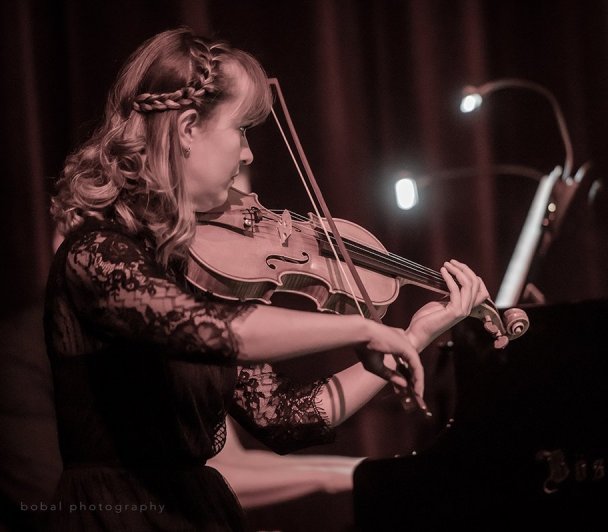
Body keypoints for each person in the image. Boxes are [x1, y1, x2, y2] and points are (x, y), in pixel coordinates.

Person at [43, 27, 489, 531]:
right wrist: (362, 327)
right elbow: (217, 329)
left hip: (196, 512)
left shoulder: (193, 269)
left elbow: (285, 417)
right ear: (187, 128)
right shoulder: (96, 255)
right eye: (241, 130)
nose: (249, 154)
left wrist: (413, 336)